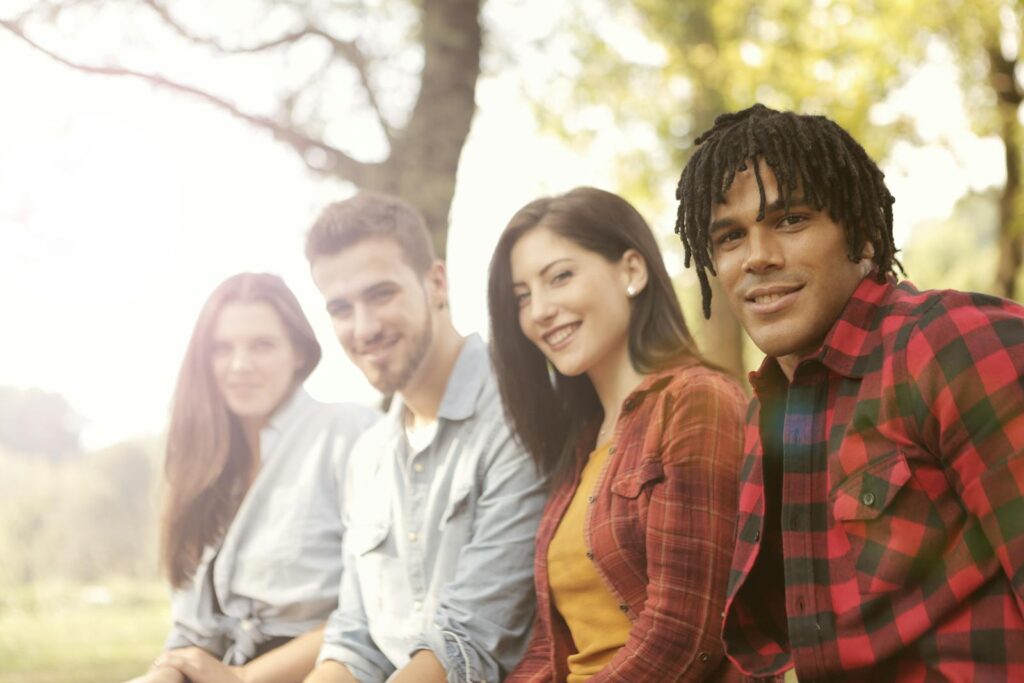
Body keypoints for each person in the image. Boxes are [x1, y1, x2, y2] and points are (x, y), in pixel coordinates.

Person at [674, 103, 1024, 680]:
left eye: (789, 220)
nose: (757, 257)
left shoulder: (948, 343)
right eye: (731, 236)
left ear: (860, 239)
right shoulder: (769, 410)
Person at [488, 186, 747, 682]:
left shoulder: (696, 402)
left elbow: (684, 635)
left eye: (559, 277)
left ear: (631, 271)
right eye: (522, 297)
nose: (538, 310)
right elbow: (550, 647)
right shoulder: (580, 444)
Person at [302, 192, 547, 683]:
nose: (363, 327)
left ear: (436, 283)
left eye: (381, 294)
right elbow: (354, 641)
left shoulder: (518, 409)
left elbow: (470, 639)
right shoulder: (368, 455)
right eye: (341, 308)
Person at [127, 273, 377, 683]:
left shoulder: (347, 431)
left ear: (298, 352)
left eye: (262, 345)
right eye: (222, 349)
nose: (240, 365)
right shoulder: (201, 463)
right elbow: (190, 636)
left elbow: (377, 607)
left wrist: (243, 679)